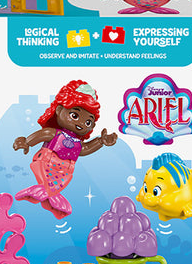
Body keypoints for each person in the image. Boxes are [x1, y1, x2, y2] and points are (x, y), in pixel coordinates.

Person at [13, 80, 117, 219]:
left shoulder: (77, 143)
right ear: (59, 110)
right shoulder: (54, 134)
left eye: (88, 122)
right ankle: (43, 194)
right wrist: (26, 142)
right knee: (46, 184)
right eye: (75, 115)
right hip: (46, 162)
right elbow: (43, 134)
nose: (81, 123)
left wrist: (101, 141)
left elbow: (85, 149)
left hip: (64, 173)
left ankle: (49, 197)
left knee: (52, 188)